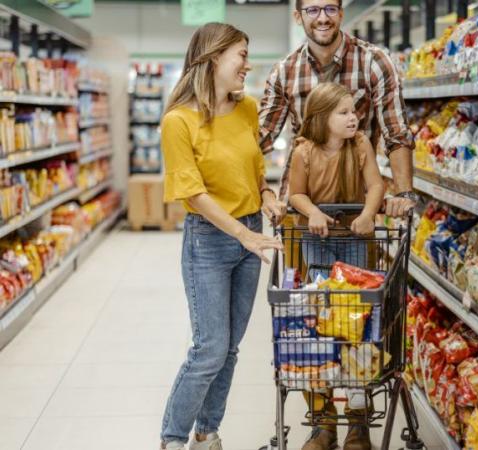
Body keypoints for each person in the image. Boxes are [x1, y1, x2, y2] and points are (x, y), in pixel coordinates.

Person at [158, 22, 285, 450]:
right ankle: (172, 438)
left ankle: (207, 433)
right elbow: (191, 192)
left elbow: (254, 166)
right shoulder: (178, 121)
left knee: (230, 349)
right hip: (210, 242)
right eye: (242, 56)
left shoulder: (247, 108)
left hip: (251, 231)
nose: (247, 65)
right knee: (209, 349)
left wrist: (265, 193)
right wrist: (241, 235)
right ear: (214, 59)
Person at [288, 82, 384, 450]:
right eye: (343, 112)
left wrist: (367, 214)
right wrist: (312, 212)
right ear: (321, 118)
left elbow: (375, 185)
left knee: (356, 329)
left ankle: (357, 418)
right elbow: (296, 193)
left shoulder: (360, 145)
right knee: (320, 328)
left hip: (356, 246)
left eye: (353, 111)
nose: (352, 117)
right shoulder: (304, 152)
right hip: (318, 244)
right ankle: (324, 418)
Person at [258, 0, 419, 218]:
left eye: (330, 9)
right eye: (312, 10)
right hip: (301, 206)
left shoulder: (374, 61)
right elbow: (262, 138)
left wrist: (404, 193)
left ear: (341, 14)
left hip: (358, 207)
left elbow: (396, 132)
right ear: (298, 17)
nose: (323, 18)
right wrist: (263, 190)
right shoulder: (285, 72)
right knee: (300, 252)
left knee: (358, 253)